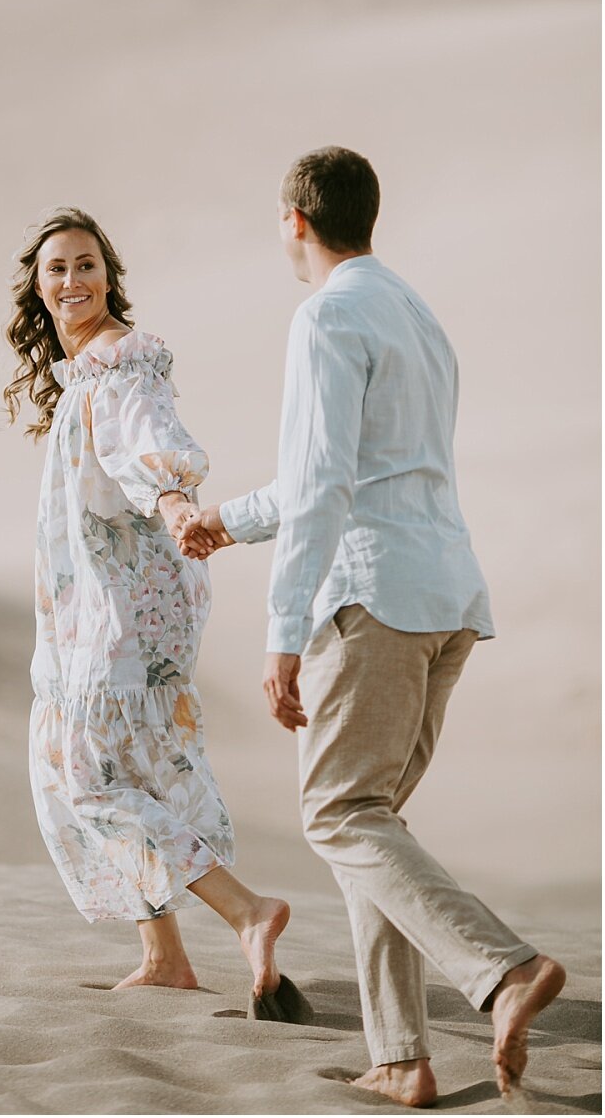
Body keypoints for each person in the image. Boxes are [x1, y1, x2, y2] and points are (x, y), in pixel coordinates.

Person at [179, 147, 565, 1105]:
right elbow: (363, 469)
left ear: (295, 222)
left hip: (374, 599)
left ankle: (503, 970)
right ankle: (400, 1055)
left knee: (339, 815)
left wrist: (280, 633)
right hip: (447, 600)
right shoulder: (418, 316)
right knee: (372, 828)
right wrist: (224, 520)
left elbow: (323, 487)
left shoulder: (327, 316)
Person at [4, 205, 305, 1013]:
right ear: (37, 286)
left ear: (110, 278)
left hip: (124, 603)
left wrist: (174, 500)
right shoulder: (84, 376)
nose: (74, 280)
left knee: (86, 772)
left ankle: (247, 912)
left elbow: (148, 441)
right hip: (96, 601)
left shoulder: (119, 363)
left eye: (88, 265)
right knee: (114, 764)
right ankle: (165, 955)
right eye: (58, 268)